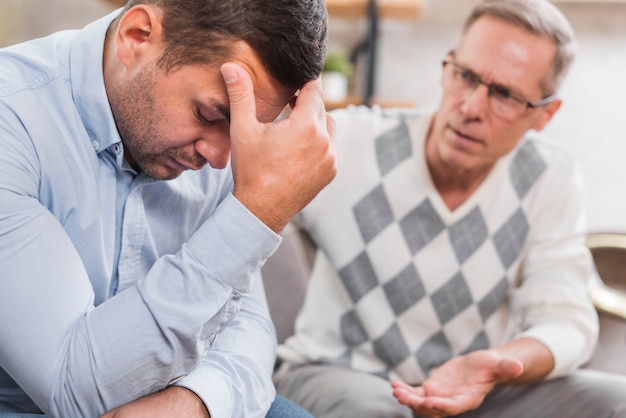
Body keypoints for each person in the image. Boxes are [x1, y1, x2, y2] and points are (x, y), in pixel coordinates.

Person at [273, 0, 626, 417]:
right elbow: (239, 195)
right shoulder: (351, 143)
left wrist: (498, 366)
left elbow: (568, 323)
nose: (472, 107)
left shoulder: (549, 178)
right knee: (379, 410)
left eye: (505, 95)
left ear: (545, 115)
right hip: (338, 373)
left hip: (478, 393)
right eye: (466, 76)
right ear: (448, 66)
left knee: (614, 399)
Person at [0, 0, 336, 417]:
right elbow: (71, 388)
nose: (219, 159)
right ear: (136, 36)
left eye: (242, 129)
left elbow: (248, 328)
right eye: (209, 114)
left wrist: (195, 403)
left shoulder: (214, 145)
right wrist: (256, 214)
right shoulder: (11, 122)